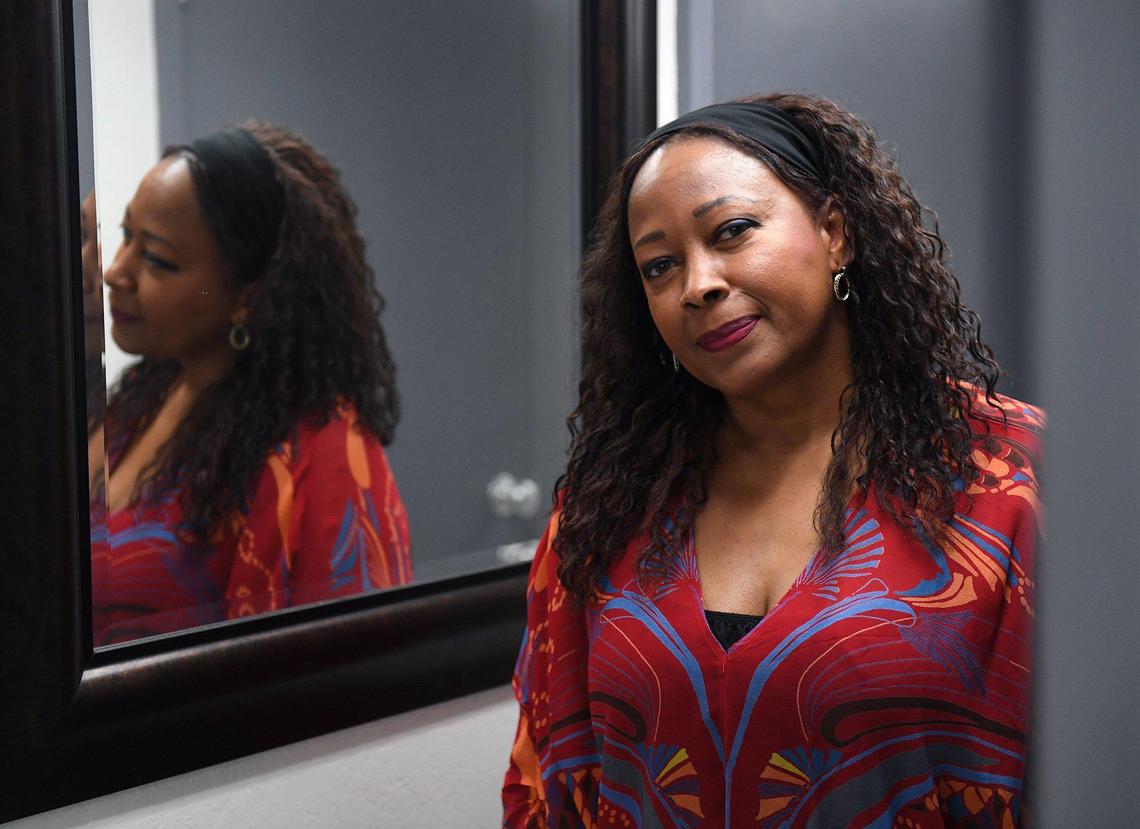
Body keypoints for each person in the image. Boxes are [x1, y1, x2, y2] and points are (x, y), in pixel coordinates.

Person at [502, 93, 1043, 827]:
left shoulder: (1012, 479)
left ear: (835, 232)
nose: (698, 284)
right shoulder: (609, 503)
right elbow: (545, 785)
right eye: (659, 266)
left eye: (732, 231)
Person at [89, 123, 411, 646]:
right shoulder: (137, 404)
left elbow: (351, 671)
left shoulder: (323, 454)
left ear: (248, 296)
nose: (116, 273)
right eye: (125, 236)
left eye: (157, 259)